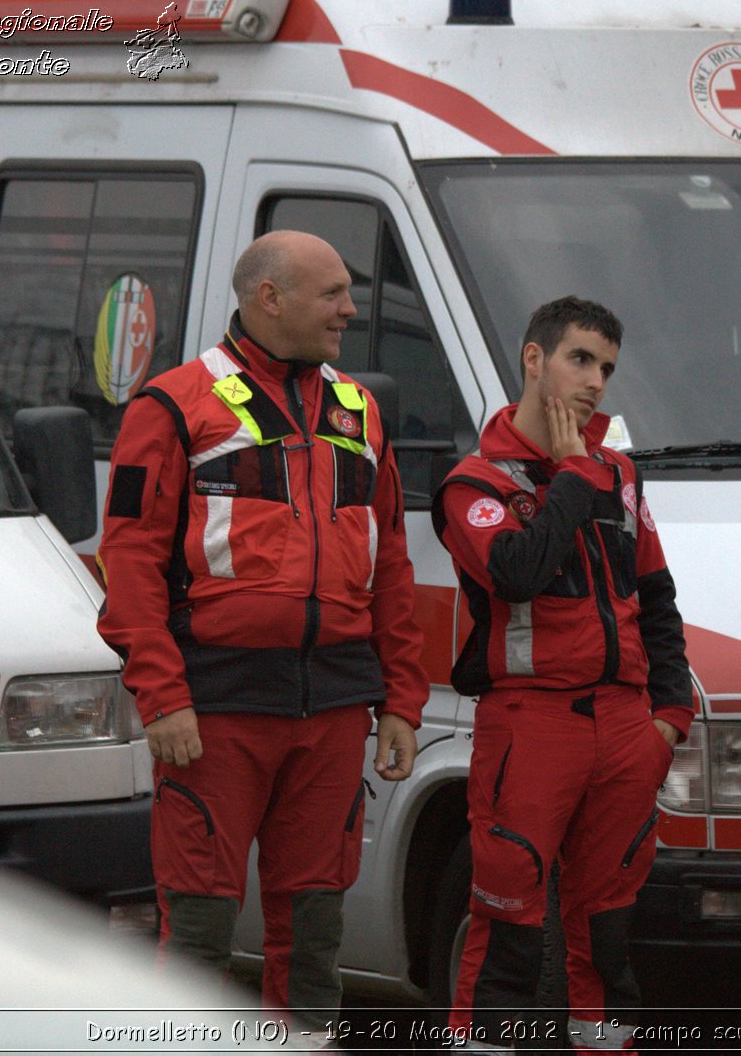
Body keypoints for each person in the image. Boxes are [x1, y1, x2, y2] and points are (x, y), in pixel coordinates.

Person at [95, 231, 428, 1023]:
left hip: (334, 708)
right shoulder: (172, 406)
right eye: (333, 293)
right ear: (268, 298)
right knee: (201, 933)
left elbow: (392, 569)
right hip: (214, 711)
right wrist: (163, 697)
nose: (351, 309)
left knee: (314, 933)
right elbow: (130, 565)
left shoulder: (359, 409)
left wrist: (404, 704)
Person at [432, 296, 692, 1053]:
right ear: (534, 358)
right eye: (580, 360)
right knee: (508, 917)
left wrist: (669, 716)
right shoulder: (474, 482)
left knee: (608, 929)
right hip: (530, 722)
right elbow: (516, 572)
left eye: (607, 368)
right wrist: (574, 478)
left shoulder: (622, 474)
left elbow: (658, 598)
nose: (595, 382)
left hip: (626, 727)